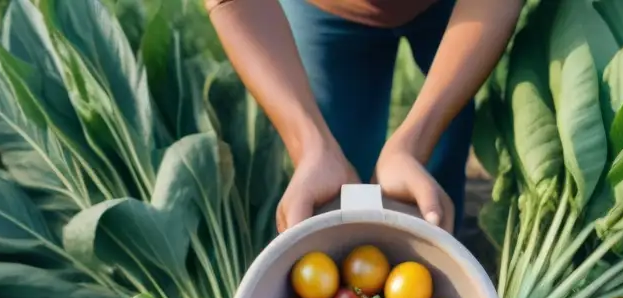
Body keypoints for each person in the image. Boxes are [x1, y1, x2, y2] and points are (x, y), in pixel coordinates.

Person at [205, 0, 524, 234]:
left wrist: (415, 143)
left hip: (457, 9)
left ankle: (439, 255)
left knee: (435, 169)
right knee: (338, 173)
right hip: (323, 10)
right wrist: (310, 146)